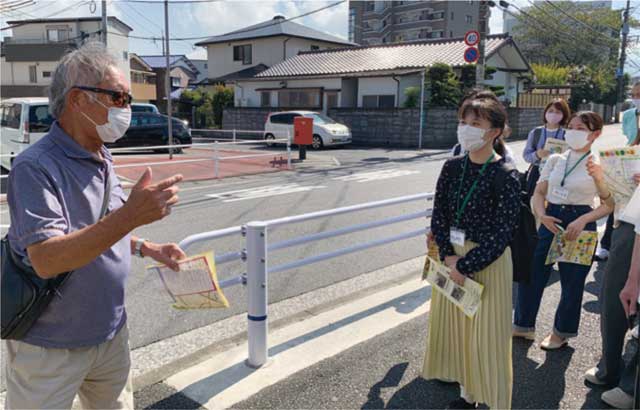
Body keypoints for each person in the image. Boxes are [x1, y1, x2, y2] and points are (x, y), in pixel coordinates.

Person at [4, 42, 186, 410]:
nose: (127, 108)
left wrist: (147, 247)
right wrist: (130, 215)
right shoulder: (35, 167)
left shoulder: (101, 156)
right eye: (118, 97)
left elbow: (102, 226)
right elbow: (46, 259)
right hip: (49, 346)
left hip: (111, 334)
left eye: (128, 98)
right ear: (77, 100)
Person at [423, 95, 521, 409]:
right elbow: (439, 216)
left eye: (475, 123)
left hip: (486, 264)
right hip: (453, 258)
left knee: (487, 337)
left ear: (496, 131)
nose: (466, 129)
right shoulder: (452, 167)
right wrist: (449, 257)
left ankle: (492, 400)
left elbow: (503, 233)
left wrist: (464, 265)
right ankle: (467, 395)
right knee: (460, 333)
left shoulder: (505, 174)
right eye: (463, 122)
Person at [513, 111, 612, 350]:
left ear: (595, 134)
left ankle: (561, 332)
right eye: (572, 127)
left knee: (573, 281)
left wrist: (583, 219)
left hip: (581, 221)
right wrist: (542, 214)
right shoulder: (555, 159)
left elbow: (609, 204)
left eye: (581, 128)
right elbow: (538, 193)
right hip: (551, 219)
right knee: (532, 274)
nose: (573, 132)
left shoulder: (600, 165)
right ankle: (523, 325)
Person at [584, 162, 640, 408]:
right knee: (616, 295)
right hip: (628, 225)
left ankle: (628, 385)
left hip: (632, 227)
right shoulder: (630, 151)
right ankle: (611, 369)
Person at [522, 98, 571, 200]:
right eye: (551, 111)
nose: (553, 114)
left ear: (564, 115)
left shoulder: (567, 134)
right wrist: (537, 155)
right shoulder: (536, 132)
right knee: (533, 205)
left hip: (558, 175)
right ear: (545, 112)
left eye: (558, 112)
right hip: (537, 174)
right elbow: (526, 156)